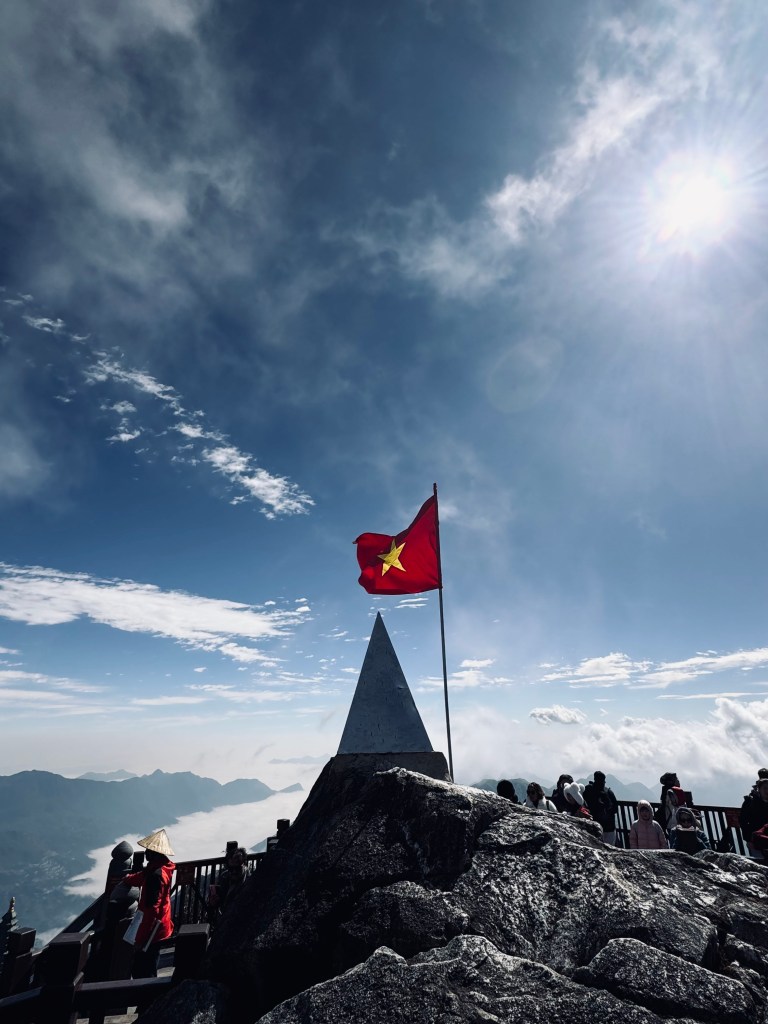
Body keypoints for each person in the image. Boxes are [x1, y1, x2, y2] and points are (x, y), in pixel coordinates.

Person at [120, 829, 176, 979]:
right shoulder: (162, 867)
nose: (145, 853)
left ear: (154, 853)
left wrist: (140, 939)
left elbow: (151, 910)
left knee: (144, 970)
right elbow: (141, 877)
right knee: (149, 964)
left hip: (153, 931)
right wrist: (127, 879)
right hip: (161, 925)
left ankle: (148, 1001)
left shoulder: (155, 875)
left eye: (148, 850)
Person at [584, 771, 619, 846]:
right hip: (608, 827)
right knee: (609, 849)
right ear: (604, 780)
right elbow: (615, 809)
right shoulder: (609, 792)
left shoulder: (588, 790)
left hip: (594, 826)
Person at [739, 778, 768, 860]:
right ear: (759, 789)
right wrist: (748, 839)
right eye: (765, 788)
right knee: (761, 863)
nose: (767, 791)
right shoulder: (750, 802)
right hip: (755, 841)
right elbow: (743, 821)